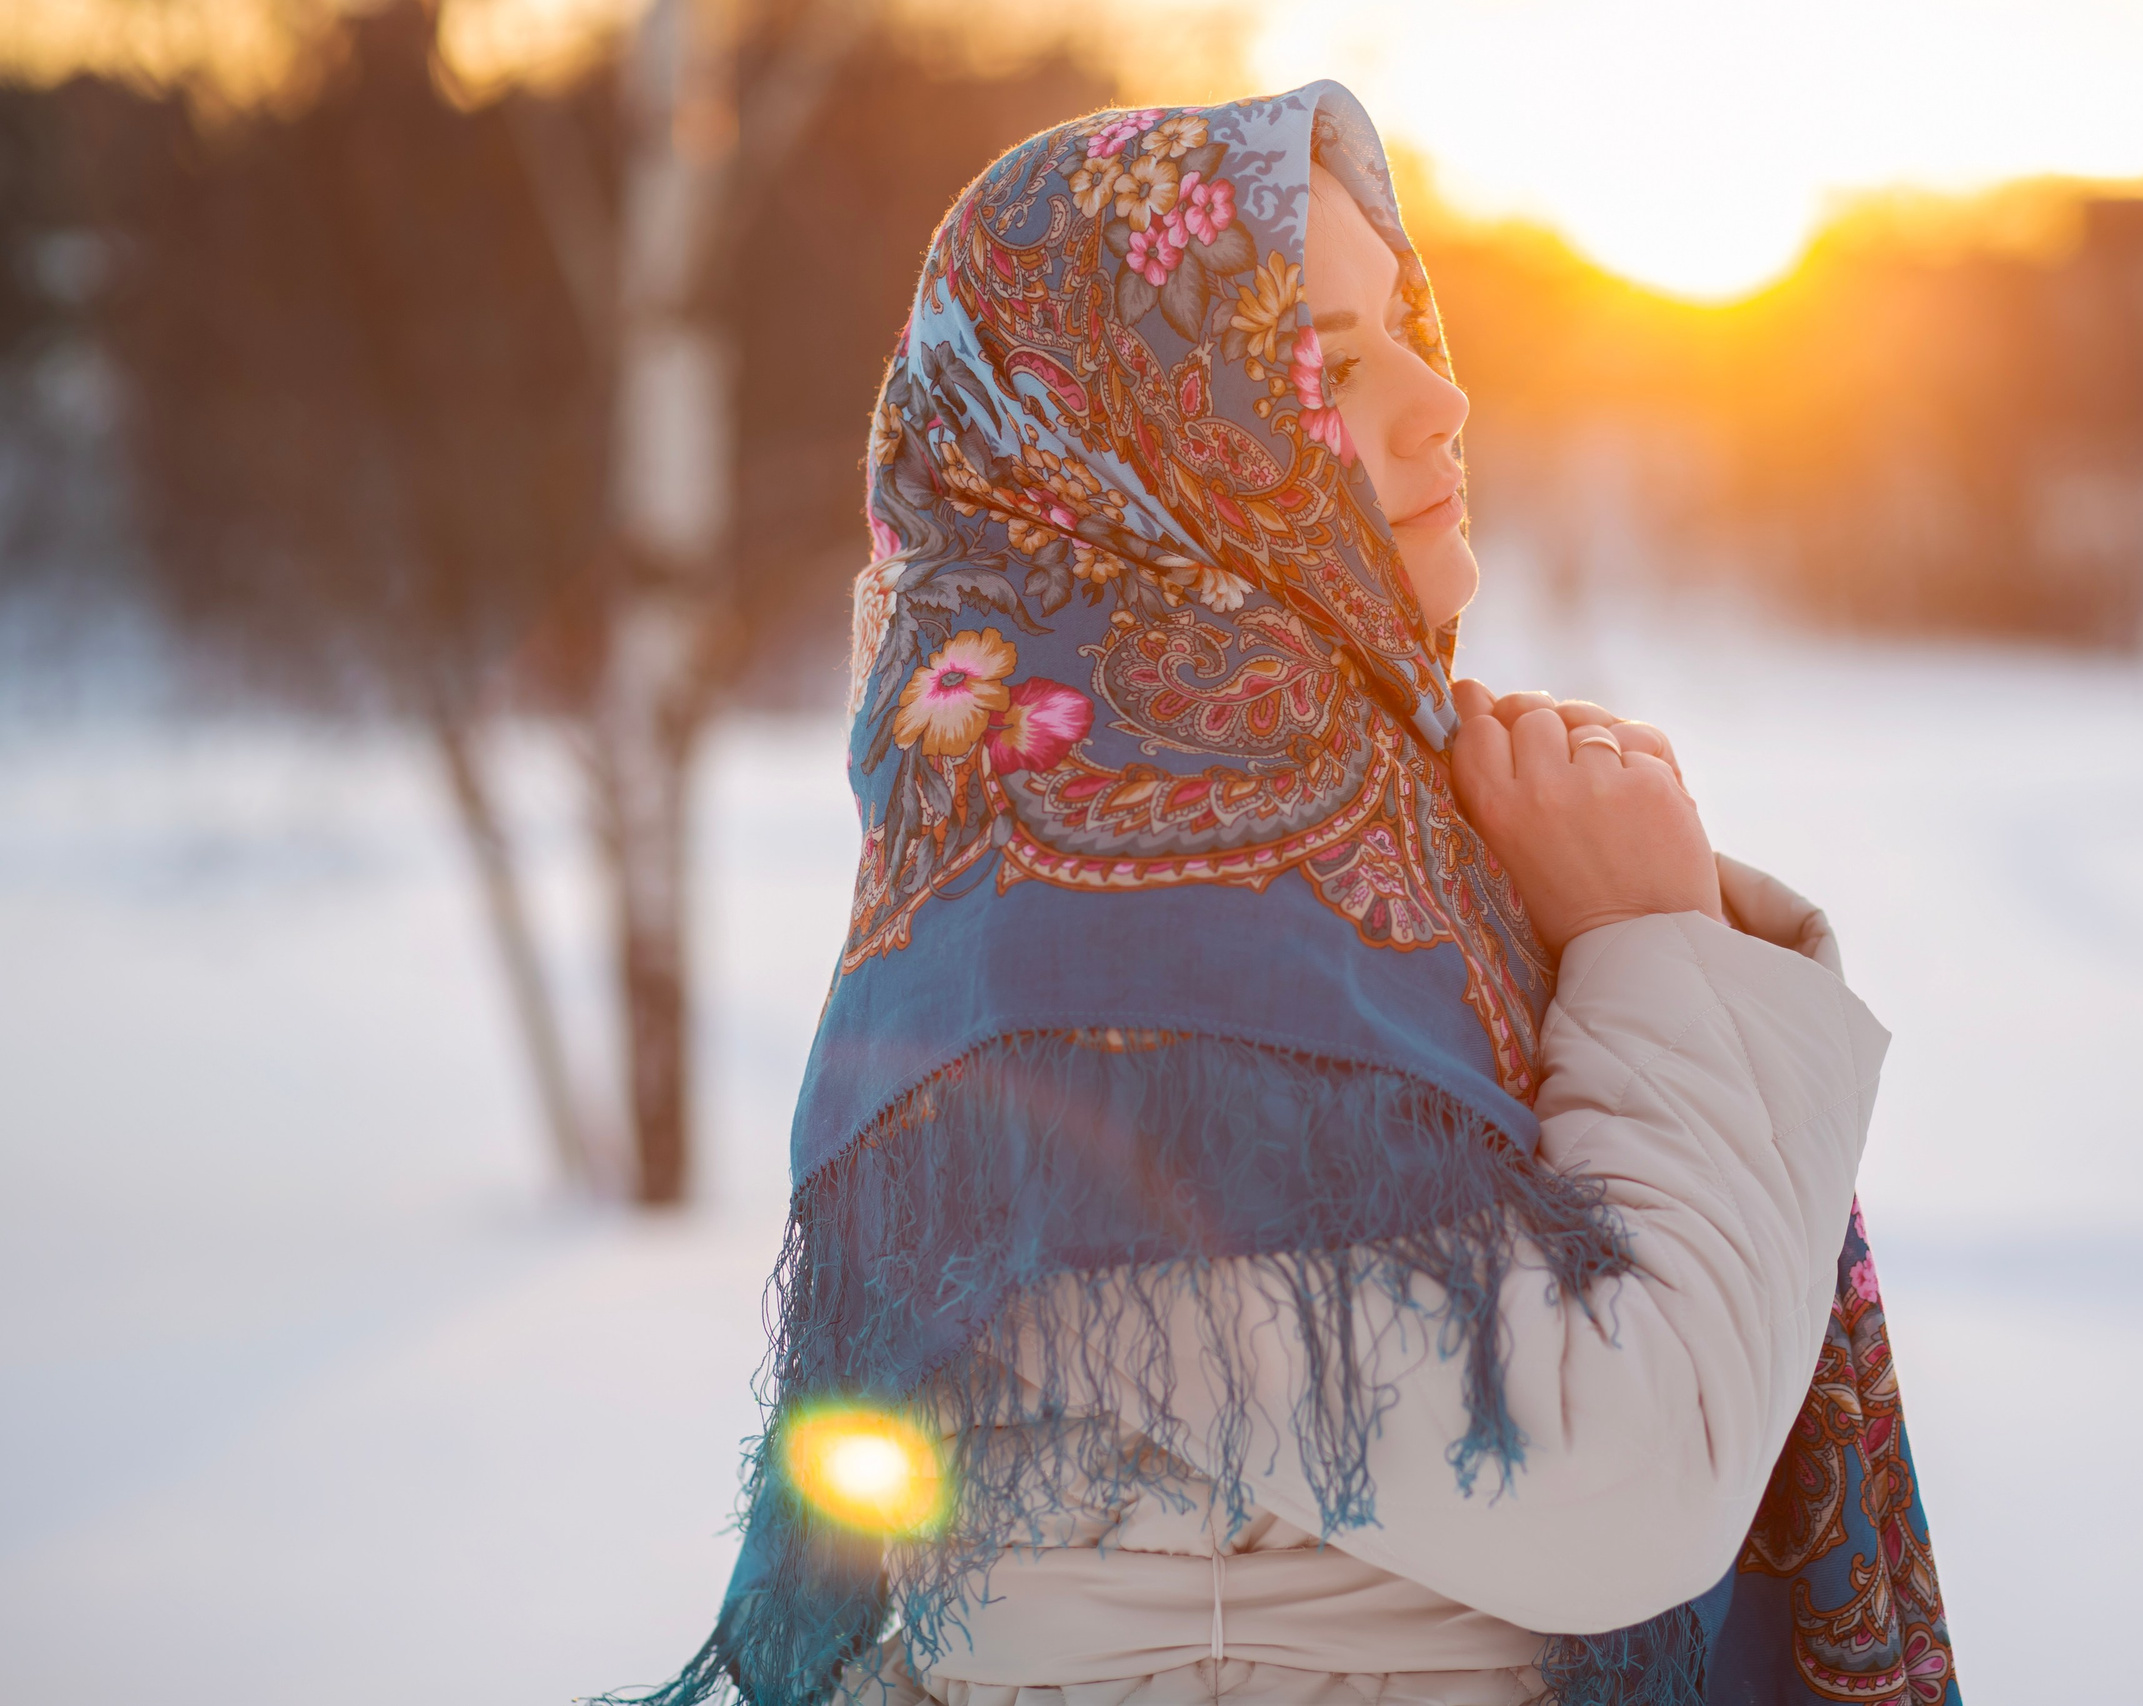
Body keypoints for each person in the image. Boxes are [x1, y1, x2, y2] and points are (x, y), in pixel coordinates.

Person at [621, 84, 1955, 1706]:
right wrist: (1651, 945)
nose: (1442, 397)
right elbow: (1624, 1482)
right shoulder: (1122, 945)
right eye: (1325, 367)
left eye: (1404, 326)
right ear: (1137, 461)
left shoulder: (1294, 839)